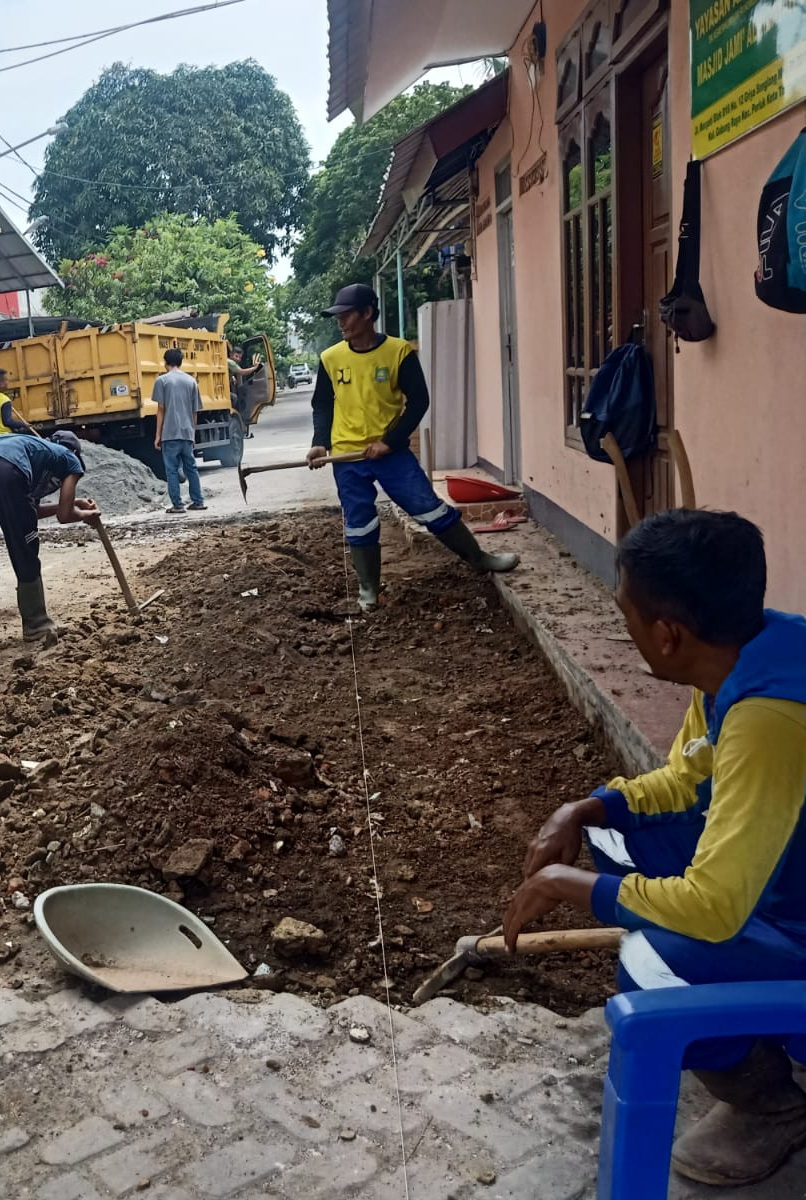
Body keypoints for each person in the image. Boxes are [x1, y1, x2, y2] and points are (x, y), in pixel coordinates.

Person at [505, 509, 806, 1188]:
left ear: (668, 635)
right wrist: (583, 809)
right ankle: (747, 1022)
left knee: (650, 963)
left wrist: (567, 886)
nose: (625, 627)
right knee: (613, 838)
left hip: (789, 914)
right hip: (783, 876)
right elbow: (685, 779)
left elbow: (715, 909)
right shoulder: (744, 660)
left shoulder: (770, 721)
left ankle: (771, 1105)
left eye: (626, 613)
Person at [306, 283, 517, 609]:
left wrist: (389, 442)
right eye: (338, 316)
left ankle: (478, 558)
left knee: (428, 507)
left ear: (367, 313)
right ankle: (368, 590)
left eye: (347, 315)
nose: (340, 321)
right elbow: (322, 404)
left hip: (390, 454)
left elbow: (419, 401)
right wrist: (320, 443)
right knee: (359, 521)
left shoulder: (398, 351)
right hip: (347, 456)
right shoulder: (330, 358)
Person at [0, 429, 99, 648]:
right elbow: (64, 516)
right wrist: (85, 515)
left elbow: (30, 509)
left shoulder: (31, 448)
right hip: (8, 472)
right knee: (24, 549)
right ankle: (36, 625)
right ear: (75, 451)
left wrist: (76, 503)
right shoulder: (70, 459)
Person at [153, 347, 205, 514]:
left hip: (170, 433)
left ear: (165, 361)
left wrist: (158, 435)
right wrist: (192, 433)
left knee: (172, 470)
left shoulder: (162, 381)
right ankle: (198, 501)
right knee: (192, 468)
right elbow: (195, 411)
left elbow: (161, 409)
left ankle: (178, 505)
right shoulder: (191, 381)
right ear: (181, 361)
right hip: (187, 432)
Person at [0, 368, 37, 440]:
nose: (7, 382)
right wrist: (23, 425)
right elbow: (8, 422)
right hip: (3, 436)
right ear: (1, 383)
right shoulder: (5, 401)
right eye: (6, 380)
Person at [227, 346, 262, 439]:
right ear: (231, 355)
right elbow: (242, 372)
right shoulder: (230, 362)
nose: (238, 359)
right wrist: (255, 368)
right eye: (236, 356)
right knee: (234, 398)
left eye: (240, 357)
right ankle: (232, 416)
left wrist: (232, 377)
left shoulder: (228, 362)